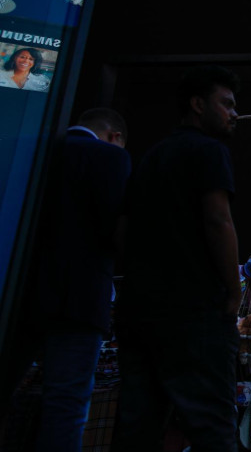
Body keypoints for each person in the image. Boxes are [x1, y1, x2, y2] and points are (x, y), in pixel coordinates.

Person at [113, 66, 241, 451]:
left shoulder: (150, 158)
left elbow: (122, 229)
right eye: (227, 104)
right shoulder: (210, 152)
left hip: (139, 312)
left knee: (137, 425)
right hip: (195, 313)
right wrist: (233, 293)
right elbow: (219, 220)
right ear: (198, 104)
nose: (234, 113)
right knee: (213, 426)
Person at [34, 108, 131, 452]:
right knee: (68, 401)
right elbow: (119, 230)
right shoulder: (108, 158)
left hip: (22, 289)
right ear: (115, 137)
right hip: (79, 296)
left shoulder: (37, 148)